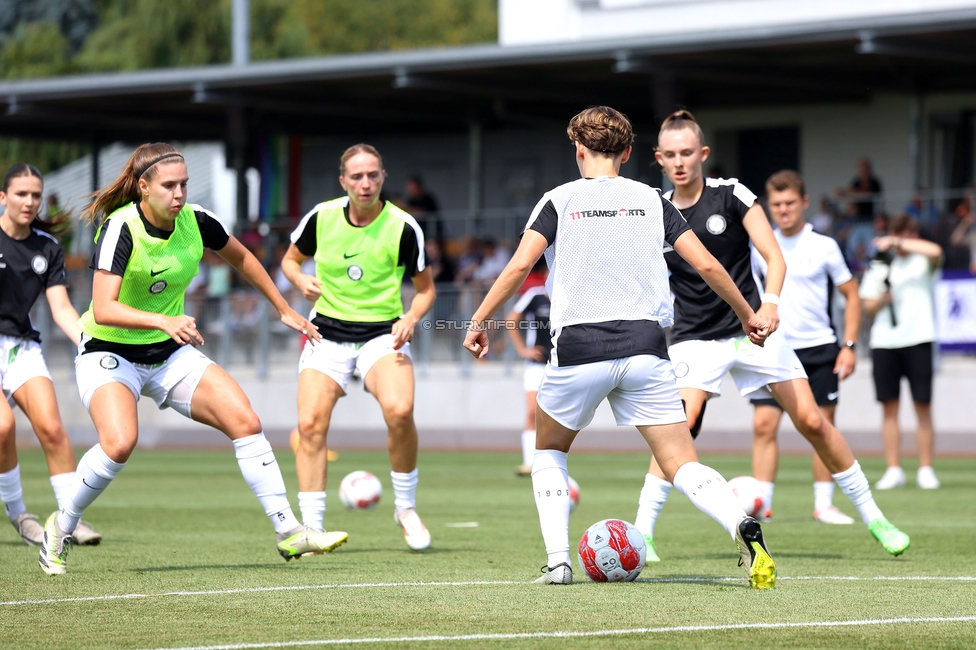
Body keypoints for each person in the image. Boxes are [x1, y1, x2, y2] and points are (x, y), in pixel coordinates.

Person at [464, 106, 777, 589]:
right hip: (646, 349)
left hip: (578, 349)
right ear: (629, 153)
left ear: (579, 151)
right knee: (681, 463)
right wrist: (748, 314)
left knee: (548, 450)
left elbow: (517, 269)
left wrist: (478, 320)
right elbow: (710, 266)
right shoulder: (653, 199)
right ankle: (741, 525)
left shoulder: (558, 199)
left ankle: (559, 562)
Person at [37, 143, 347, 576]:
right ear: (143, 187)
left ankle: (288, 531)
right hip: (108, 350)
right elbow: (103, 308)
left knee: (245, 421)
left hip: (168, 353)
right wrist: (164, 322)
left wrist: (281, 306)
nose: (179, 193)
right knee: (120, 443)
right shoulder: (120, 228)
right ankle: (61, 526)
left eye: (183, 183)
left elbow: (241, 256)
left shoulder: (197, 220)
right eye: (169, 185)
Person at [634, 110, 909, 563]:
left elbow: (773, 255)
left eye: (688, 153)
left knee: (815, 422)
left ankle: (875, 517)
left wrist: (770, 305)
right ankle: (644, 533)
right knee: (681, 426)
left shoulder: (731, 195)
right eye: (671, 155)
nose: (680, 162)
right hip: (694, 339)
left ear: (702, 154)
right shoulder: (655, 212)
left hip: (752, 330)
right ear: (659, 158)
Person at [282, 144, 435, 551]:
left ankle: (405, 508)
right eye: (356, 176)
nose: (365, 183)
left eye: (372, 175)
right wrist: (299, 281)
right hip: (325, 335)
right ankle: (312, 530)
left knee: (400, 411)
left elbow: (425, 291)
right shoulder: (321, 217)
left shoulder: (404, 226)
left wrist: (410, 319)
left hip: (382, 336)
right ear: (343, 181)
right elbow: (289, 261)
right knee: (311, 424)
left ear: (383, 177)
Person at [748, 170, 862, 525]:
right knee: (764, 425)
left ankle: (823, 504)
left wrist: (849, 345)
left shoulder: (824, 245)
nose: (783, 210)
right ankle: (761, 504)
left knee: (821, 425)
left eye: (790, 203)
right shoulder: (760, 248)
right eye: (777, 204)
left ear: (805, 203)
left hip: (819, 349)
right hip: (775, 349)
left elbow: (851, 294)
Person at [0, 164, 101, 548]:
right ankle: (18, 514)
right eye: (21, 194)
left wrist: (88, 341)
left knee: (54, 431)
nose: (29, 201)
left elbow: (60, 309)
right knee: (3, 428)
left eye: (35, 195)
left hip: (23, 347)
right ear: (3, 198)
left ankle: (68, 520)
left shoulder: (48, 247)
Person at [860, 214, 943, 490]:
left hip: (919, 338)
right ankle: (894, 468)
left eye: (903, 233)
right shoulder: (880, 265)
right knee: (889, 408)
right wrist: (883, 300)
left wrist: (898, 241)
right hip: (885, 342)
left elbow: (936, 251)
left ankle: (926, 468)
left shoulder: (922, 261)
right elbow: (868, 306)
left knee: (922, 406)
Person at [505, 259, 551, 477]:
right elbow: (511, 320)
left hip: (561, 364)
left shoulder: (570, 297)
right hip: (536, 364)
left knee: (554, 416)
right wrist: (523, 349)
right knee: (532, 412)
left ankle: (548, 461)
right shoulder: (535, 295)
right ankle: (528, 462)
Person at [404, 175, 445, 246]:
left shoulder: (428, 199)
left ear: (418, 186)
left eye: (411, 187)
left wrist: (403, 207)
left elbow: (421, 212)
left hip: (431, 235)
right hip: (416, 234)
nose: (409, 189)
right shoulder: (411, 201)